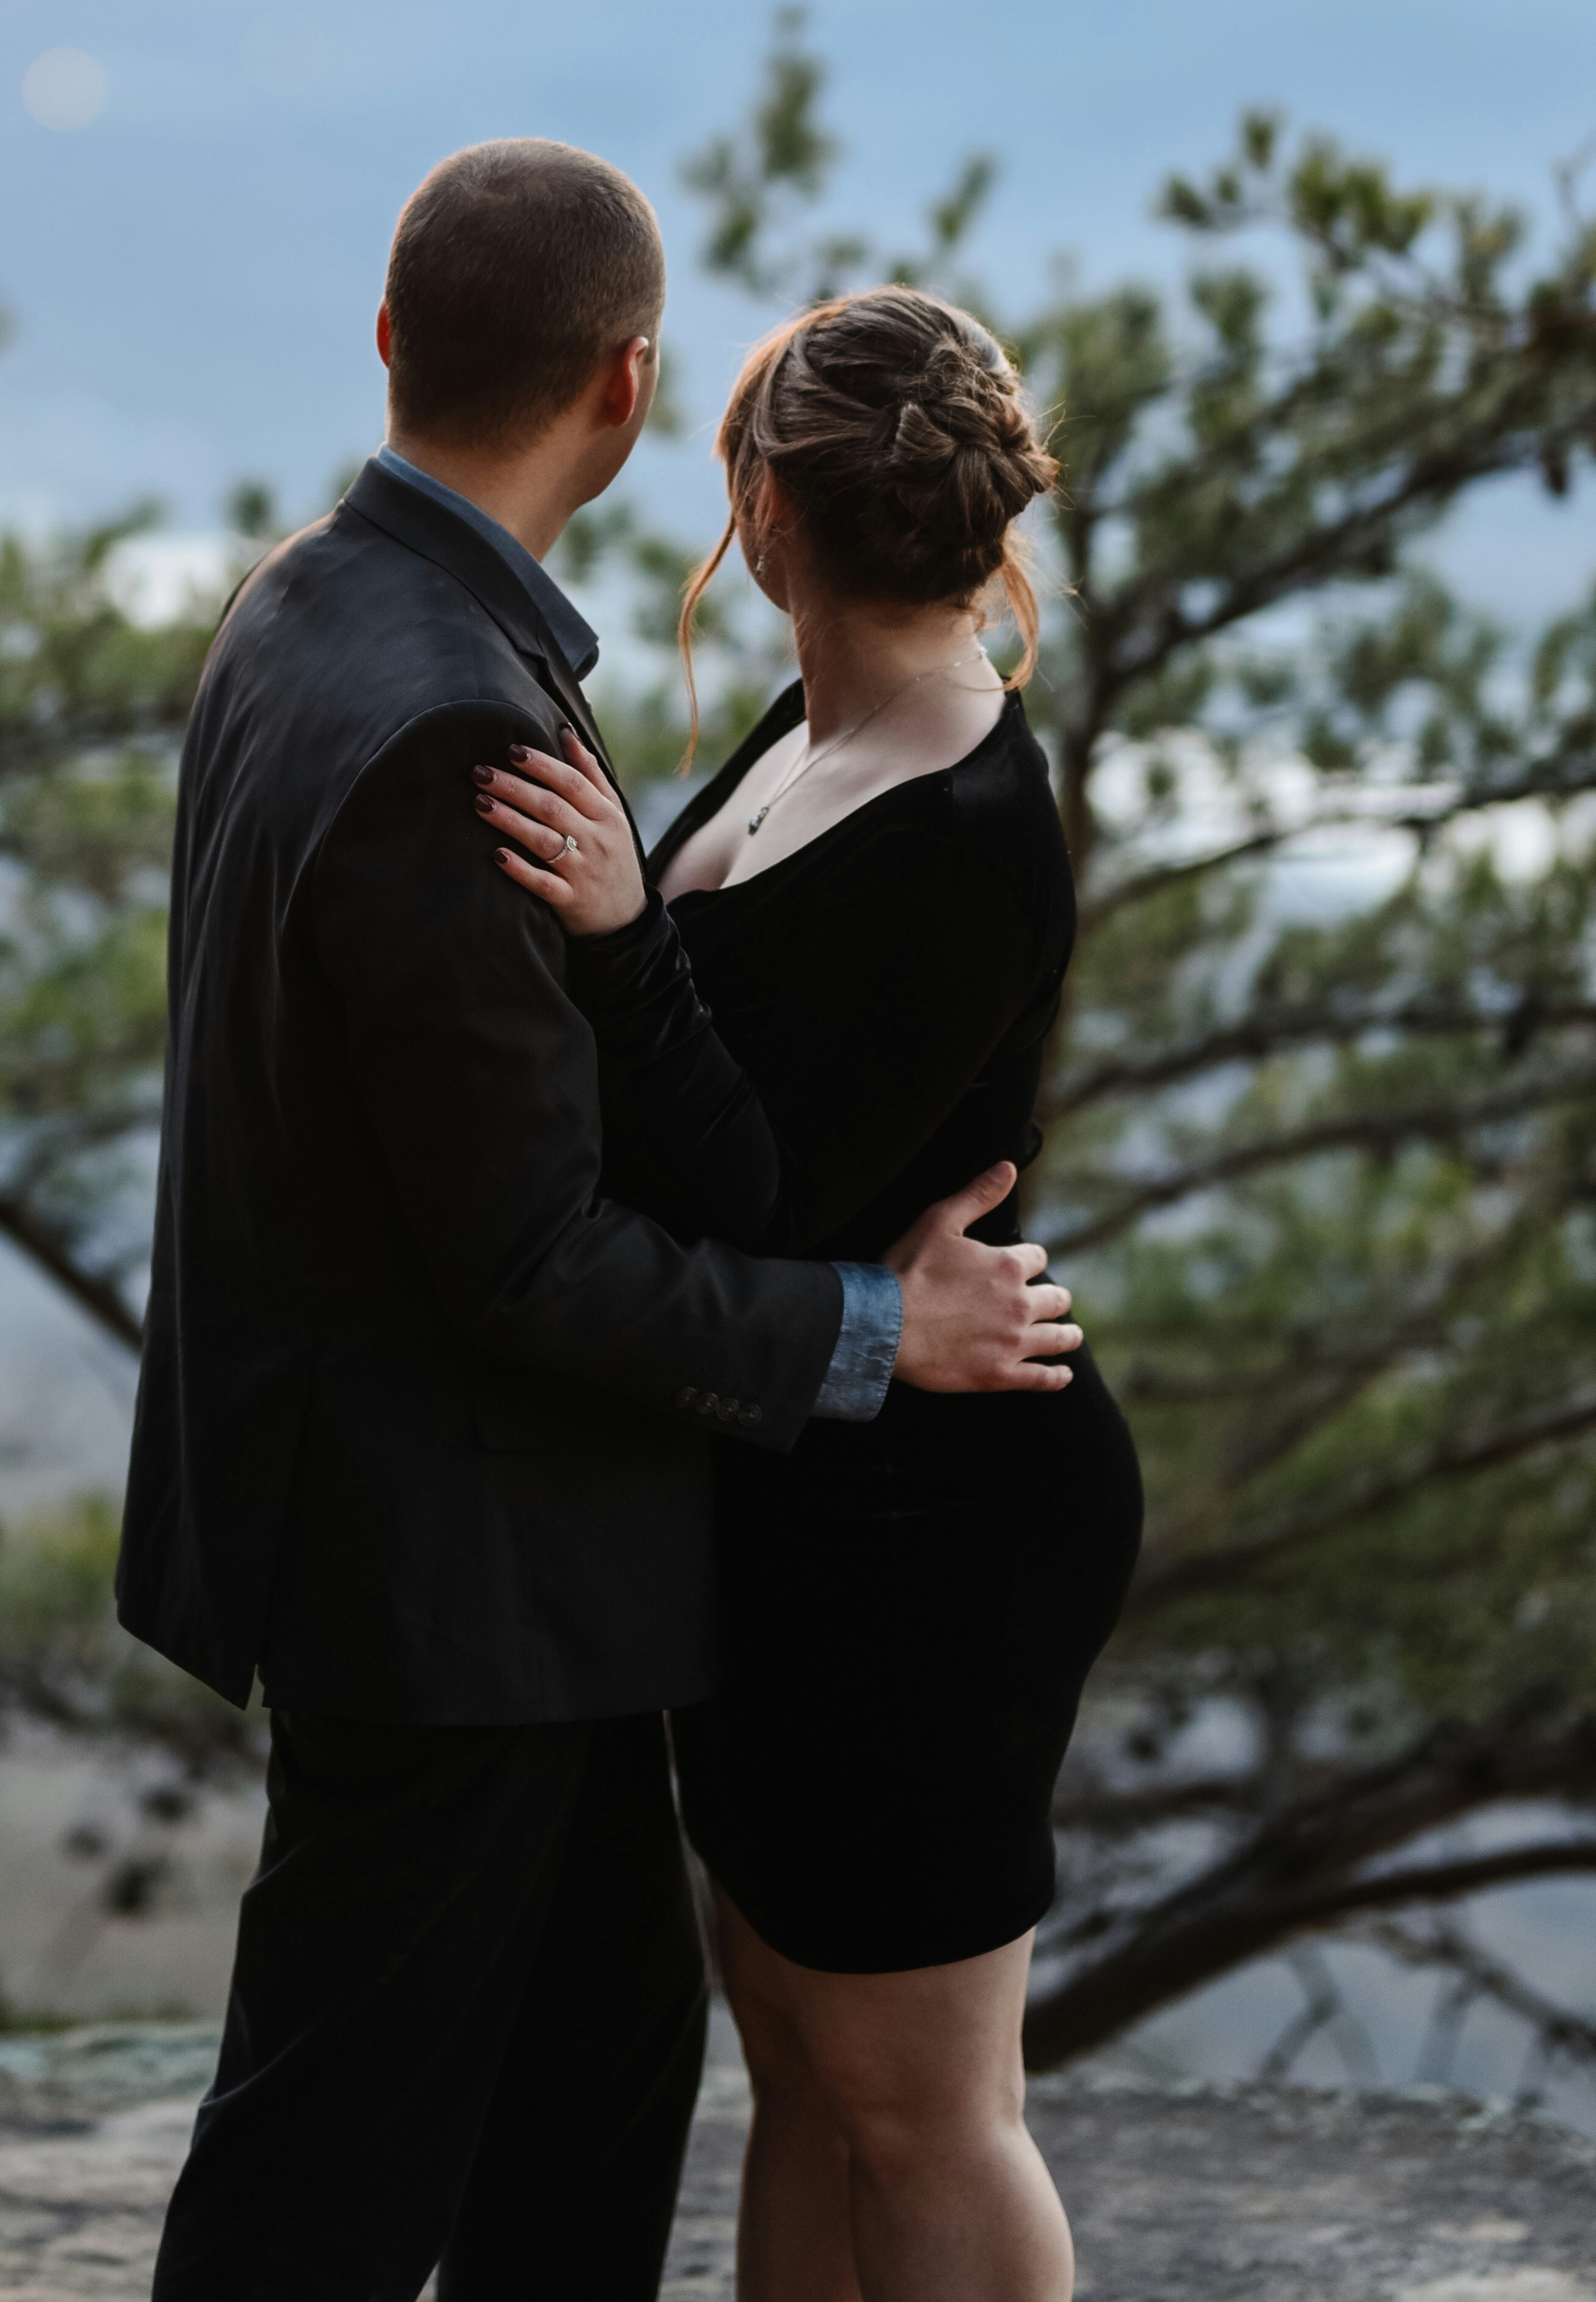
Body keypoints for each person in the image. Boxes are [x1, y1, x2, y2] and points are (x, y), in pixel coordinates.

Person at [115, 144, 1083, 2302]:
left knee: (596, 2089)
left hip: (488, 1553)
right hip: (447, 1573)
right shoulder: (451, 704)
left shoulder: (317, 602)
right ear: (629, 391)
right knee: (332, 2172)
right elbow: (529, 1250)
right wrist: (869, 1329)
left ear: (391, 339)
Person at [473, 285, 1142, 2302]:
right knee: (799, 2066)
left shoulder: (959, 818)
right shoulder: (828, 724)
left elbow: (763, 1197)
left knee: (928, 2114)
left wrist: (616, 940)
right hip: (806, 1489)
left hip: (936, 1526)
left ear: (767, 516)